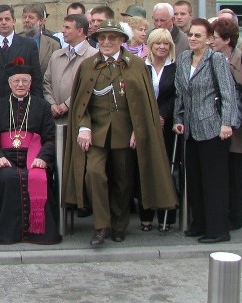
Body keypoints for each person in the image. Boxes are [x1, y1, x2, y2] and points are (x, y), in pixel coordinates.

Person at [65, 20, 176, 247]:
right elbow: (80, 104)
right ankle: (101, 226)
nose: (106, 42)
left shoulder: (136, 65)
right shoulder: (88, 66)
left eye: (112, 38)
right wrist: (83, 127)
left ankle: (119, 225)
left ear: (122, 41)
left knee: (123, 181)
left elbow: (144, 104)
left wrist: (139, 129)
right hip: (96, 134)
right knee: (94, 174)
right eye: (102, 38)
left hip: (125, 133)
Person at [173, 18, 236, 244]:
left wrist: (227, 123)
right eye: (190, 34)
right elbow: (180, 93)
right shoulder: (182, 59)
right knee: (195, 180)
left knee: (214, 181)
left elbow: (228, 93)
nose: (192, 38)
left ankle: (218, 229)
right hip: (190, 128)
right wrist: (177, 118)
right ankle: (198, 223)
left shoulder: (216, 59)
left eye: (198, 35)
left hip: (213, 128)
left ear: (209, 39)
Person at [0, 59, 60, 245]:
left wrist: (43, 158)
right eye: (16, 81)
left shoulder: (42, 106)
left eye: (24, 81)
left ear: (31, 83)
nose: (20, 85)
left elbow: (50, 138)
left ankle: (38, 231)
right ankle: (6, 232)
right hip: (6, 159)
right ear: (9, 83)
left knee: (37, 177)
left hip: (34, 159)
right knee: (7, 177)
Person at [210, 16, 242, 231]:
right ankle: (222, 213)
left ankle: (235, 216)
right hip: (214, 125)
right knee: (220, 172)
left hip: (238, 126)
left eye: (215, 37)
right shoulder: (210, 59)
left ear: (227, 40)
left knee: (235, 171)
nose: (211, 41)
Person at [140, 28, 177, 231]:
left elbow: (176, 95)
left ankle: (167, 216)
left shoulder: (175, 67)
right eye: (158, 43)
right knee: (145, 170)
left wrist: (162, 114)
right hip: (145, 124)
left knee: (167, 172)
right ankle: (146, 216)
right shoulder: (141, 67)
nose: (162, 47)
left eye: (166, 44)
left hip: (167, 125)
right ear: (150, 45)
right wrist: (151, 116)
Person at [43, 14, 97, 124]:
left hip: (81, 119)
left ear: (80, 31)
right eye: (63, 27)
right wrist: (52, 104)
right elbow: (46, 83)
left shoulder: (94, 56)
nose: (63, 31)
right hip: (55, 119)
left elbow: (89, 87)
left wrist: (67, 105)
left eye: (67, 27)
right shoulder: (56, 55)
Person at [19, 3, 60, 74]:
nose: (26, 20)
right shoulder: (15, 40)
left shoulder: (53, 44)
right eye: (24, 17)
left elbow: (56, 72)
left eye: (31, 17)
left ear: (40, 21)